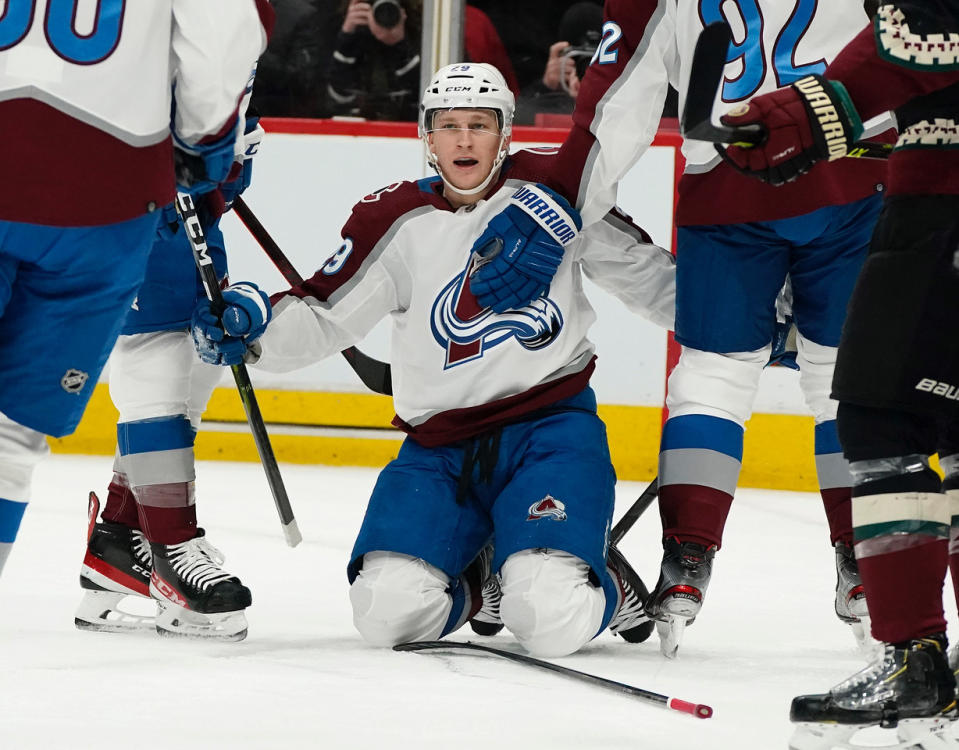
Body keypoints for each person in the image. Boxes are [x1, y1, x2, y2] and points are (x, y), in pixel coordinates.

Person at [190, 62, 681, 658]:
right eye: (449, 125)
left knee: (549, 619)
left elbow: (646, 274)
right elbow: (324, 315)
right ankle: (484, 586)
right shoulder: (393, 220)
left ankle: (613, 588)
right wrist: (256, 329)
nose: (464, 139)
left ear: (505, 133)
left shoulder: (556, 195)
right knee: (386, 614)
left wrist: (734, 331)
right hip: (441, 448)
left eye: (480, 124)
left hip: (550, 433)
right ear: (427, 135)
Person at [465, 0, 891, 658]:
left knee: (712, 378)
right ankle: (864, 559)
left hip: (726, 186)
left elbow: (616, 106)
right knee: (844, 379)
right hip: (851, 176)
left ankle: (686, 559)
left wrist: (562, 206)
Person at [717, 3, 959, 745]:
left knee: (886, 417)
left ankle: (910, 659)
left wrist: (793, 116)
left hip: (941, 216)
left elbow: (918, 39)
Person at [0, 2, 272, 580]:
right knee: (15, 432)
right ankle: (154, 540)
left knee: (186, 348)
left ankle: (125, 534)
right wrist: (205, 150)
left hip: (99, 184)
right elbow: (223, 39)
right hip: (109, 193)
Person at [75, 114, 263, 642]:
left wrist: (222, 171)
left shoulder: (229, 60)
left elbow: (223, 186)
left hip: (192, 251)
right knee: (154, 376)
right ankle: (171, 550)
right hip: (133, 241)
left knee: (189, 387)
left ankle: (117, 539)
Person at [326, 0, 422, 121]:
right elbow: (333, 102)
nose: (382, 13)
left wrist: (400, 46)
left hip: (406, 127)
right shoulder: (338, 26)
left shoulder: (423, 27)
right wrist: (347, 40)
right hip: (354, 129)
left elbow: (425, 99)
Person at [514, 2, 603, 124]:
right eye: (580, 58)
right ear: (565, 57)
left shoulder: (623, 92)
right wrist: (546, 86)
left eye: (595, 59)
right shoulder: (545, 103)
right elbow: (516, 119)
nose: (586, 69)